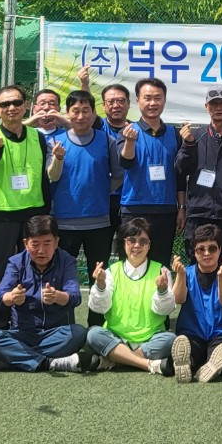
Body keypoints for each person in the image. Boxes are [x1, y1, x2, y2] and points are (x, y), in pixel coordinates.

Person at [0, 85, 60, 328]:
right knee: (1, 269)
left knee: (37, 265)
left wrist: (46, 212)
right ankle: (0, 322)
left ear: (26, 106)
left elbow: (45, 176)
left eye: (16, 103)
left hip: (34, 213)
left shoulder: (38, 136)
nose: (11, 108)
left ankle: (33, 318)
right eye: (5, 104)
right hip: (2, 214)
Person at [48, 90, 124, 323]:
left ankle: (96, 325)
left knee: (98, 276)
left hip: (99, 222)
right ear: (67, 113)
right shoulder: (56, 141)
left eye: (85, 111)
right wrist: (58, 158)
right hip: (64, 222)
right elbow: (52, 176)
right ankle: (63, 325)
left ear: (93, 113)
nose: (80, 116)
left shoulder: (106, 141)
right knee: (63, 276)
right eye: (75, 111)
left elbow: (119, 175)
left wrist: (101, 191)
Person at [0, 215, 87, 373]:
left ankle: (14, 358)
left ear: (56, 242)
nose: (41, 251)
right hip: (22, 333)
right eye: (35, 244)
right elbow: (0, 296)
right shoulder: (16, 262)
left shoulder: (66, 261)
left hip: (56, 332)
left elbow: (75, 297)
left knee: (79, 333)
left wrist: (57, 296)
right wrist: (12, 297)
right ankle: (47, 363)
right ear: (26, 244)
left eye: (47, 243)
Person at [85, 216, 175, 374]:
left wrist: (162, 291)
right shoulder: (111, 272)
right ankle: (147, 364)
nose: (137, 245)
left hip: (150, 338)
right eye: (131, 240)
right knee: (93, 334)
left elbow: (165, 310)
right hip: (116, 337)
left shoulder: (162, 271)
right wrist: (100, 285)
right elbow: (99, 308)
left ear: (149, 245)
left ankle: (116, 359)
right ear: (123, 243)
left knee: (170, 340)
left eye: (143, 241)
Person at [176, 88, 222, 268]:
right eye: (214, 104)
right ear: (206, 107)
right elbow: (180, 170)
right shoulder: (194, 136)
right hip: (199, 216)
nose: (218, 108)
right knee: (198, 267)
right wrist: (187, 145)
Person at [118, 77, 182, 267]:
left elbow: (180, 175)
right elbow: (126, 162)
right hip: (135, 208)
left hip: (166, 210)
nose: (152, 103)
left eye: (157, 98)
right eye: (147, 98)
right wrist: (130, 142)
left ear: (164, 100)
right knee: (132, 263)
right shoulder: (128, 131)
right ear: (138, 101)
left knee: (161, 264)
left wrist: (181, 207)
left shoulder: (174, 134)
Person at [171, 223, 222, 383]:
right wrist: (180, 276)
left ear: (220, 250)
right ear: (194, 252)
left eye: (212, 248)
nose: (206, 253)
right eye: (201, 249)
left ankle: (212, 366)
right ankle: (187, 364)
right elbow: (178, 299)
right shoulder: (186, 273)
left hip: (220, 332)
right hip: (192, 332)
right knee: (189, 349)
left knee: (221, 350)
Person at [97, 82, 132, 244]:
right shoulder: (97, 127)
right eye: (111, 102)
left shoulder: (136, 129)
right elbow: (85, 105)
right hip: (104, 198)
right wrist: (84, 83)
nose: (116, 105)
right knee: (101, 248)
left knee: (131, 248)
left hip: (130, 199)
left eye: (121, 101)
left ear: (129, 104)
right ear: (103, 106)